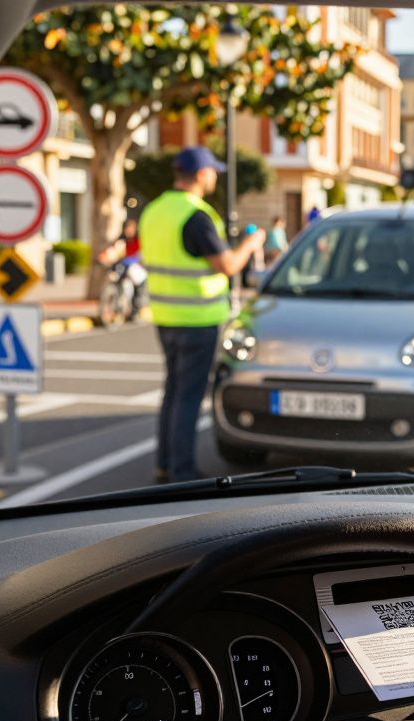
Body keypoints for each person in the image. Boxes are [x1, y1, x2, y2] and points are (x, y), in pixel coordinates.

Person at [139, 146, 265, 483]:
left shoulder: (154, 211)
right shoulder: (195, 215)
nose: (215, 178)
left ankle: (165, 463)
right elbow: (227, 265)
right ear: (200, 174)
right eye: (212, 172)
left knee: (173, 391)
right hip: (197, 319)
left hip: (165, 315)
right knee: (189, 397)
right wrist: (251, 245)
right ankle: (181, 471)